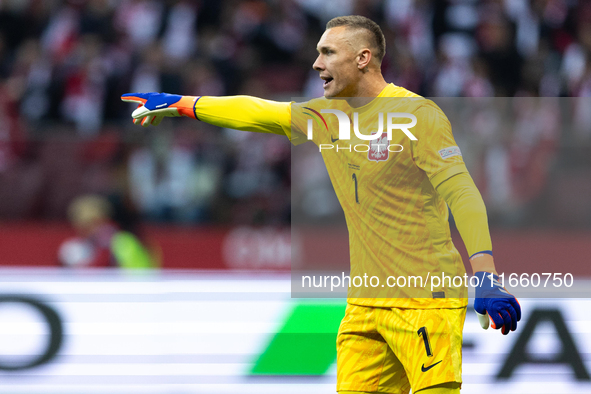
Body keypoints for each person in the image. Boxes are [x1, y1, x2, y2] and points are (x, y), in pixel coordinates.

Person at [122, 15, 520, 394]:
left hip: (425, 299)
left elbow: (462, 192)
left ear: (363, 58)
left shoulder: (418, 116)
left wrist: (485, 273)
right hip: (364, 304)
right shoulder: (326, 117)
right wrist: (181, 103)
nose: (316, 63)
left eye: (328, 52)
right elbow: (259, 111)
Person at [59, 194, 157, 270]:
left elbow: (139, 275)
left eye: (90, 223)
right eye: (80, 223)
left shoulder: (123, 243)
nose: (85, 229)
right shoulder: (76, 247)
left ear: (103, 219)